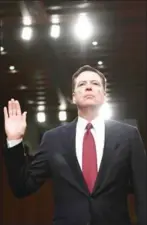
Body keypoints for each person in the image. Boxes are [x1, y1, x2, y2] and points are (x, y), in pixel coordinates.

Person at [3, 65, 146, 225]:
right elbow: (22, 187)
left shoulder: (128, 136)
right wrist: (14, 140)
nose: (89, 87)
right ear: (73, 97)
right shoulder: (53, 139)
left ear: (104, 96)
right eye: (82, 84)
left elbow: (143, 191)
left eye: (95, 83)